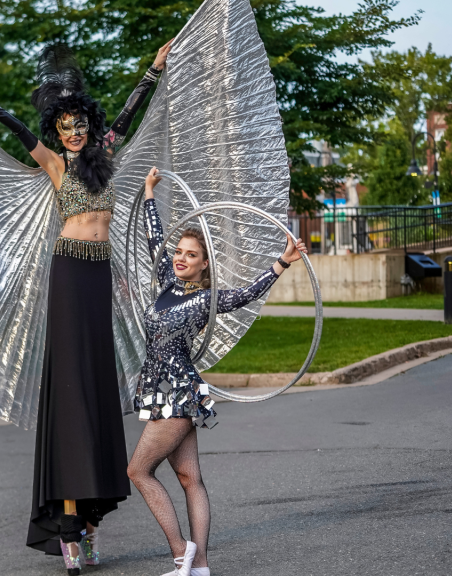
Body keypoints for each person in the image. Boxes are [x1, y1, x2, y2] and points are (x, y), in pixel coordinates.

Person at [0, 39, 173, 574]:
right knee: (72, 390)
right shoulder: (55, 164)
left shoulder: (105, 156)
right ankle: (70, 527)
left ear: (88, 124)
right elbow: (17, 130)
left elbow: (128, 113)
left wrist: (152, 71)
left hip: (99, 274)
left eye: (79, 124)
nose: (73, 132)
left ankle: (91, 520)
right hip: (69, 271)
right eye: (65, 126)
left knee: (96, 387)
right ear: (57, 131)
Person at [128, 167, 307, 576]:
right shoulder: (166, 282)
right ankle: (201, 566)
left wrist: (282, 261)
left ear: (204, 263)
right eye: (179, 252)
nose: (181, 258)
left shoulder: (206, 298)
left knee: (137, 470)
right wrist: (150, 194)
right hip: (165, 390)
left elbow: (245, 294)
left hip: (177, 393)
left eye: (191, 255)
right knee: (189, 477)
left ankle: (182, 554)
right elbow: (156, 239)